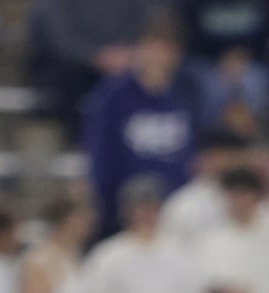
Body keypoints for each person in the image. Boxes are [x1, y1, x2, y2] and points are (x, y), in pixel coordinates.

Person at [81, 13, 202, 234]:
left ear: (176, 54)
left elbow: (193, 151)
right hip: (123, 210)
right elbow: (101, 152)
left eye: (163, 49)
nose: (155, 57)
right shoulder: (113, 95)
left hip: (175, 210)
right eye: (150, 47)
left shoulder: (186, 94)